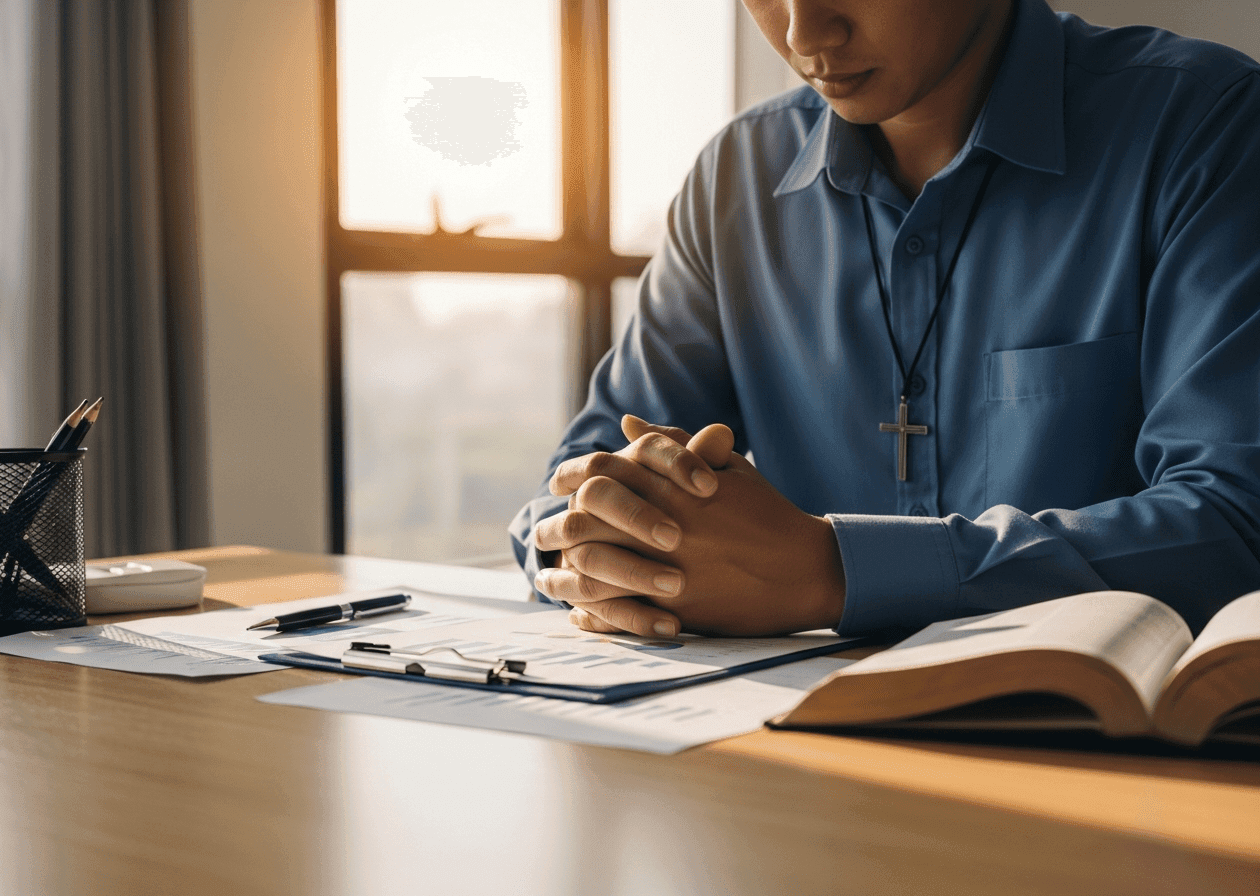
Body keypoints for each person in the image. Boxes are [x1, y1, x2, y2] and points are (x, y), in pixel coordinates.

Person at [509, 0, 1260, 640]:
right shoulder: (734, 178)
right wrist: (602, 553)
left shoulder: (1206, 127)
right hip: (787, 751)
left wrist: (832, 572)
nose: (804, 34)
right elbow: (580, 482)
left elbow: (1237, 519)